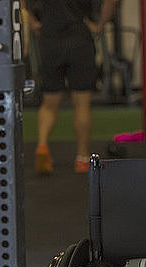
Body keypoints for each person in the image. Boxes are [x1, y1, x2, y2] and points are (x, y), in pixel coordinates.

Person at [30, 0, 118, 174]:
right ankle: (83, 159)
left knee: (49, 103)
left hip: (50, 39)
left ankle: (42, 146)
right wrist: (100, 25)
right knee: (82, 104)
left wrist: (33, 23)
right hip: (80, 39)